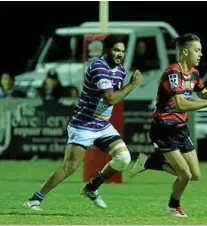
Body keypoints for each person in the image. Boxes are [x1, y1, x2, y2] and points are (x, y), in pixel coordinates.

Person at [23, 34, 143, 211]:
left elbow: (111, 98)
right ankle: (34, 199)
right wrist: (132, 85)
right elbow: (110, 98)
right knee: (70, 166)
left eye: (123, 51)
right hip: (83, 125)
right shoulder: (98, 68)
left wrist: (127, 85)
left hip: (102, 125)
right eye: (117, 50)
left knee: (124, 158)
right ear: (107, 50)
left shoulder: (120, 70)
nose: (120, 54)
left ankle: (91, 188)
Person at [129, 33, 207, 217]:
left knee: (195, 175)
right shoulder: (174, 72)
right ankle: (174, 207)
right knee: (185, 175)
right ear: (185, 52)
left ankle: (148, 162)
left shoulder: (194, 73)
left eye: (201, 50)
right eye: (197, 50)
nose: (201, 54)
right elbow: (181, 104)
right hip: (164, 129)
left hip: (180, 128)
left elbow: (202, 92)